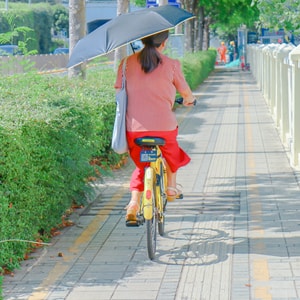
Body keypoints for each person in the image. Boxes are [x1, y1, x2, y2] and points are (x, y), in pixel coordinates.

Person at [114, 30, 196, 222]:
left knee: (142, 166)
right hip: (164, 128)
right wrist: (189, 100)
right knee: (172, 153)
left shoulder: (126, 63)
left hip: (134, 129)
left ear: (143, 40)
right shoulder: (172, 64)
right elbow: (186, 92)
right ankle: (171, 188)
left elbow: (119, 89)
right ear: (164, 43)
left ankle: (133, 203)